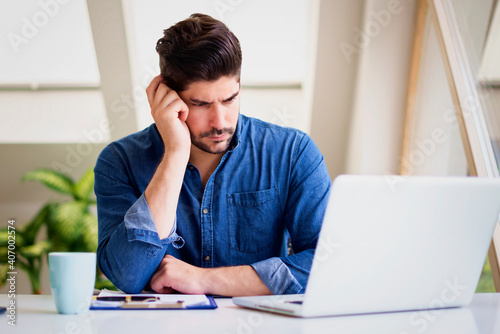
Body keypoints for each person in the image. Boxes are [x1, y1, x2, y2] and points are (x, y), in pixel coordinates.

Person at [94, 13, 331, 296]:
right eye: (200, 104)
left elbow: (326, 264)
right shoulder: (119, 161)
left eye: (230, 99)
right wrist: (175, 153)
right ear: (167, 97)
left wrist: (203, 280)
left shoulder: (292, 153)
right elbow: (127, 275)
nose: (220, 121)